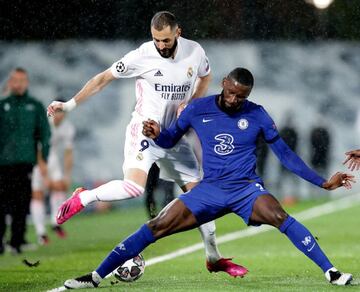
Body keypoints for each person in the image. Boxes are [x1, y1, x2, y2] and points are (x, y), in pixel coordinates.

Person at [62, 68, 354, 289]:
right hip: (209, 189)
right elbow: (169, 140)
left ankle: (332, 272)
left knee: (279, 215)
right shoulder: (197, 109)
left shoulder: (258, 115)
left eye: (242, 96)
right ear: (224, 83)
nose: (235, 99)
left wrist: (322, 182)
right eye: (232, 92)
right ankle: (96, 276)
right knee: (157, 225)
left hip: (245, 190)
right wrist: (156, 135)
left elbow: (285, 155)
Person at [47, 11, 245, 276]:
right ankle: (83, 197)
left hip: (174, 137)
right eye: (156, 40)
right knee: (133, 188)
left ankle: (214, 259)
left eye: (165, 40)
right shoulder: (142, 56)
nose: (160, 46)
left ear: (178, 32)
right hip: (145, 133)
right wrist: (69, 105)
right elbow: (102, 78)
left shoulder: (195, 52)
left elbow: (205, 76)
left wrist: (193, 102)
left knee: (203, 201)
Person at [0, 68, 51, 254]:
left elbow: (44, 134)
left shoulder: (35, 106)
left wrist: (43, 159)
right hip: (2, 164)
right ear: (10, 83)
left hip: (25, 162)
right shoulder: (2, 104)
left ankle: (17, 241)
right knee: (2, 203)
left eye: (22, 80)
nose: (19, 83)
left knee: (21, 203)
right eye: (15, 80)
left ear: (27, 82)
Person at [31, 98, 75, 244]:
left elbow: (68, 153)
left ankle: (55, 223)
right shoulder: (45, 123)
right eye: (57, 111)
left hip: (52, 159)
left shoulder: (68, 127)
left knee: (59, 187)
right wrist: (44, 174)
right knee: (37, 194)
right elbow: (37, 147)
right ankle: (41, 233)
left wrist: (68, 176)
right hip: (37, 159)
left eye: (62, 111)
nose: (59, 115)